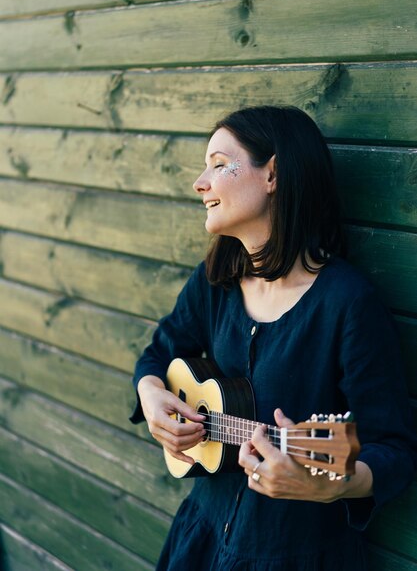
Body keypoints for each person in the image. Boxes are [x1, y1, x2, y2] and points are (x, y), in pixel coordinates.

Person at [130, 106, 417, 570]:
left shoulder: (347, 303)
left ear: (273, 174)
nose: (201, 183)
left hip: (294, 557)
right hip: (202, 537)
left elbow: (394, 451)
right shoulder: (215, 280)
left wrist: (334, 485)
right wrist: (151, 396)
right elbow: (159, 354)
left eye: (220, 164)